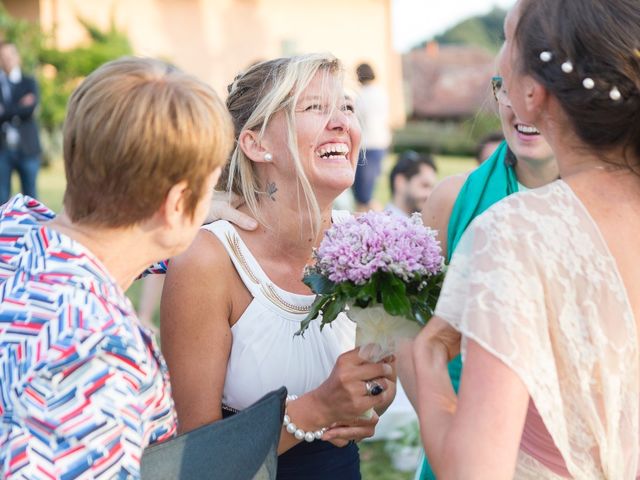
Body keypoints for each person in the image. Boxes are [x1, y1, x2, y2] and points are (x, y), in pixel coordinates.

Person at [401, 0, 640, 477]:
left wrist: (425, 356)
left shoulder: (516, 233)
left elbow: (474, 471)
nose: (499, 56)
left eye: (510, 38)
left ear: (532, 93)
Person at [160, 53, 396, 480]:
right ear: (255, 144)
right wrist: (318, 409)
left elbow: (373, 397)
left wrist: (374, 392)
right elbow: (191, 459)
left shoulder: (366, 243)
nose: (342, 121)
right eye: (314, 108)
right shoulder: (209, 261)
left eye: (346, 107)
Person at [0, 57, 233, 478]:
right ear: (177, 203)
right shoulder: (92, 356)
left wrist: (199, 211)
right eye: (209, 188)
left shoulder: (13, 232)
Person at [0, 42, 42, 204]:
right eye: (3, 57)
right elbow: (23, 110)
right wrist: (19, 107)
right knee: (2, 198)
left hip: (27, 147)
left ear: (17, 57)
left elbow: (30, 110)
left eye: (10, 56)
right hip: (3, 149)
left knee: (31, 198)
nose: (7, 60)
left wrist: (5, 111)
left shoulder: (29, 82)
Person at [352, 62, 391, 211]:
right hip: (381, 144)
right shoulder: (381, 94)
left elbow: (357, 120)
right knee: (366, 192)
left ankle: (379, 225)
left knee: (363, 196)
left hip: (366, 146)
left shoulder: (362, 96)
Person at [386, 150, 438, 216]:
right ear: (400, 182)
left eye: (432, 188)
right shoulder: (379, 224)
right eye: (424, 185)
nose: (429, 194)